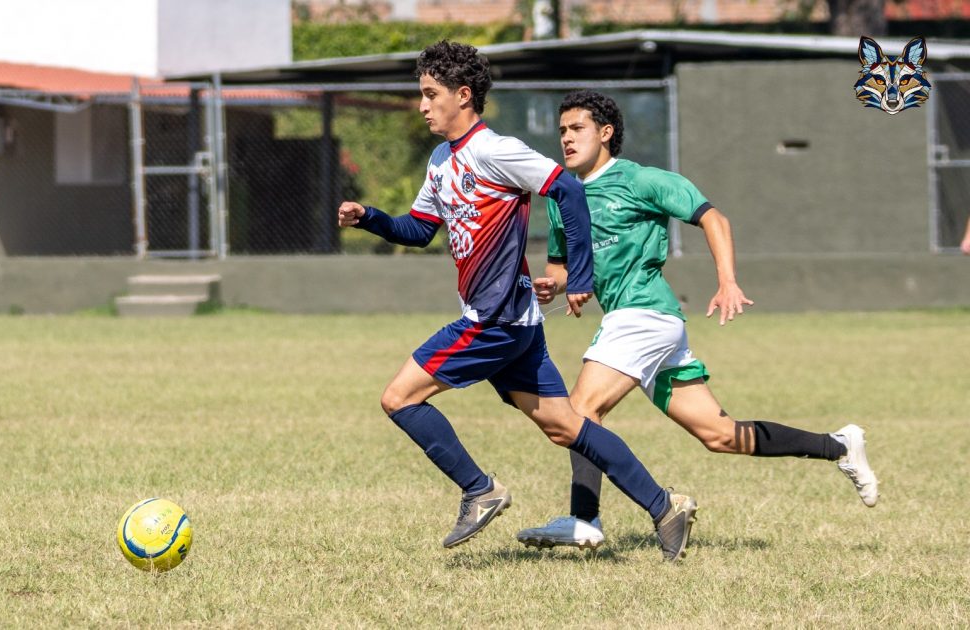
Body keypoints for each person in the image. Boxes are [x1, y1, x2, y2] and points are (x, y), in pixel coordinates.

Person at [338, 43, 697, 561]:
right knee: (566, 425)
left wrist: (580, 272)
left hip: (495, 318)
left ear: (463, 96)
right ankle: (664, 507)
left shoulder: (495, 150)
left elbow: (566, 192)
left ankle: (480, 490)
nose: (421, 105)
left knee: (399, 398)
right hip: (515, 321)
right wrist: (369, 215)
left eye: (430, 94)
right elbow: (418, 230)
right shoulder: (441, 160)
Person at [516, 90, 879, 550]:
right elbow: (563, 268)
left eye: (577, 129)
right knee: (720, 434)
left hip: (644, 314)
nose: (566, 138)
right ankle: (840, 445)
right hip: (642, 325)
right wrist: (557, 286)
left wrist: (727, 281)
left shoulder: (641, 180)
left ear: (605, 133)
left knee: (580, 412)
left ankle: (586, 519)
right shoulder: (562, 198)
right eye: (562, 130)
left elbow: (715, 219)